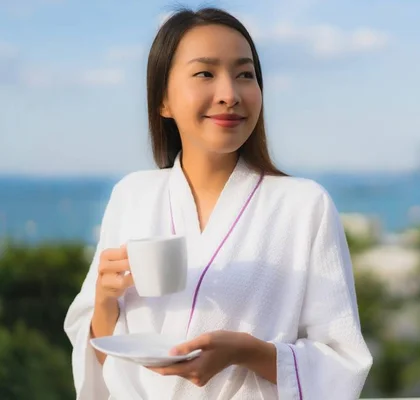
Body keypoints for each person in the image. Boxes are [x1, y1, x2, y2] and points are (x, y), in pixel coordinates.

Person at [64, 6, 373, 400]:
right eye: (205, 73)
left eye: (245, 75)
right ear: (163, 100)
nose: (229, 94)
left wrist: (247, 352)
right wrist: (105, 302)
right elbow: (103, 362)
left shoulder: (304, 205)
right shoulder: (132, 195)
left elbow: (343, 359)